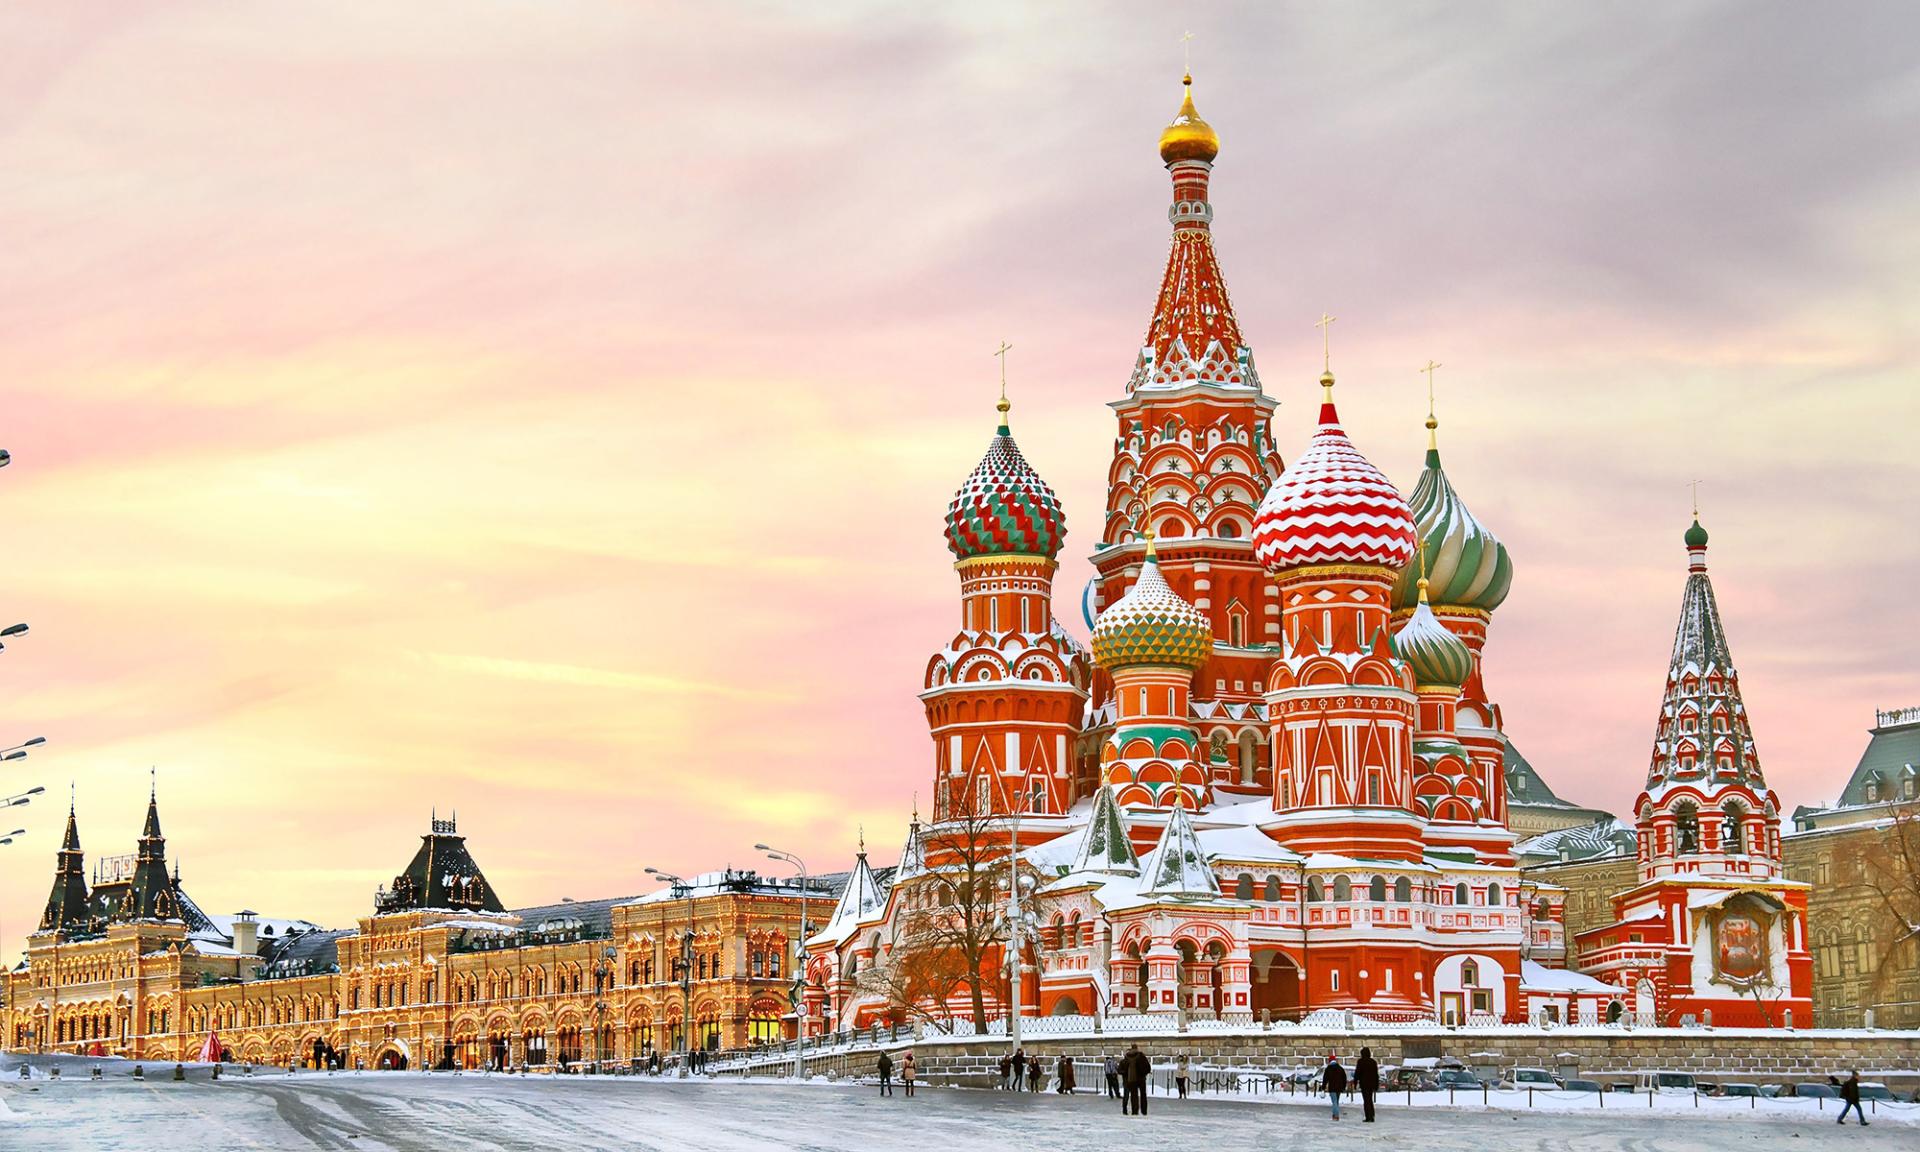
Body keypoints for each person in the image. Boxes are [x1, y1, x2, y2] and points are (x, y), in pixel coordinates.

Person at [1122, 1043, 1150, 1116]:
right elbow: (1147, 1066)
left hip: (1131, 1079)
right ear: (1137, 1048)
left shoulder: (1127, 1057)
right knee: (1143, 1094)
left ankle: (1135, 1111)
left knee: (1134, 1095)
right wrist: (1144, 1073)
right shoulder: (1141, 1055)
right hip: (1141, 1078)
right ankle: (1144, 1111)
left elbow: (1123, 1068)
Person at [1356, 1047, 1379, 1123]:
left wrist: (1355, 1081)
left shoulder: (1360, 1062)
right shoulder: (1373, 1062)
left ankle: (1368, 1116)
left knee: (1366, 1100)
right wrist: (1376, 1085)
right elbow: (1376, 1075)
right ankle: (1372, 1115)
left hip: (1364, 1084)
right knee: (1370, 1099)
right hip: (1371, 1084)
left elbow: (1357, 1072)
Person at [1323, 1054, 1348, 1121]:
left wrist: (1323, 1087)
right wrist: (1343, 1086)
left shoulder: (1328, 1069)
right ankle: (1335, 1114)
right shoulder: (1340, 1068)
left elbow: (1325, 1079)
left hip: (1332, 1087)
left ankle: (1336, 1116)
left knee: (1334, 1102)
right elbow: (1344, 1078)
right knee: (1336, 1101)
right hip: (1339, 1088)